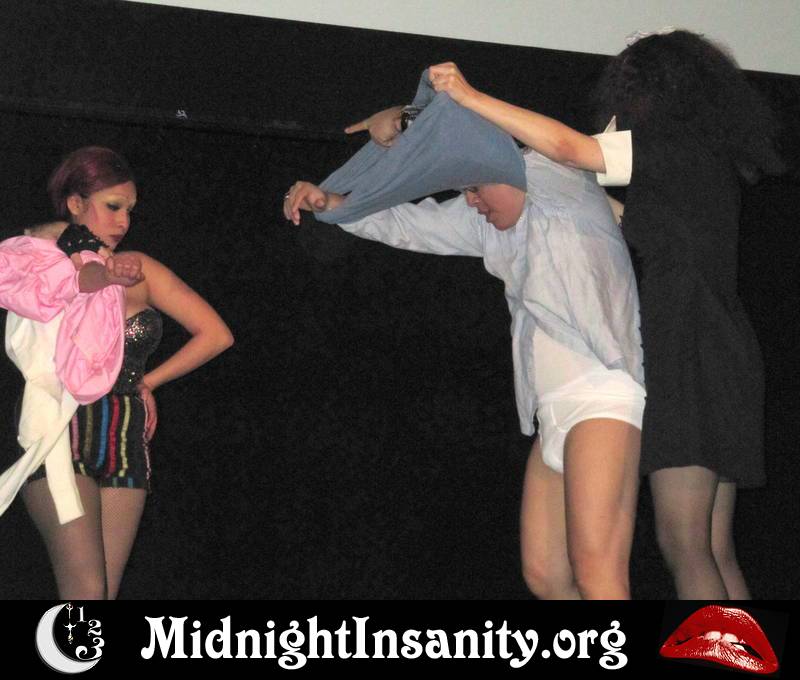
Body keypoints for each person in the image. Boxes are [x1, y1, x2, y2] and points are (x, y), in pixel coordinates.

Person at [348, 30, 784, 598]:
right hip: (724, 347)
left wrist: (459, 102)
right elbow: (582, 191)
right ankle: (739, 650)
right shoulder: (693, 166)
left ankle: (712, 650)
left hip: (688, 345)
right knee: (713, 548)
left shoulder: (668, 142)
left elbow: (565, 149)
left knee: (685, 545)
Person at [285, 74, 645, 599]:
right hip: (552, 414)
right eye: (465, 191)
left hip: (601, 398)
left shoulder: (561, 184)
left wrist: (406, 120)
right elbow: (408, 225)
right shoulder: (488, 225)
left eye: (475, 187)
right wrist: (331, 204)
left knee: (598, 572)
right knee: (546, 577)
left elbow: (484, 138)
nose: (471, 201)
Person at [0, 146, 234, 599]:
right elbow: (70, 282)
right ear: (75, 203)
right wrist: (88, 258)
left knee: (103, 597)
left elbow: (216, 335)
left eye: (129, 209)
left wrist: (149, 381)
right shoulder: (39, 260)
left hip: (125, 433)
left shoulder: (139, 267)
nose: (124, 220)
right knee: (85, 592)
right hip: (63, 429)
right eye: (112, 206)